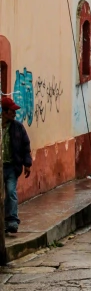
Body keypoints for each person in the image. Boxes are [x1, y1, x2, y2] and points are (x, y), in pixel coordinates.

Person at [2, 96, 32, 234]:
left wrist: (27, 164)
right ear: (5, 112)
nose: (14, 114)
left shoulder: (18, 128)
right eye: (12, 111)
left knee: (11, 192)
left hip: (12, 167)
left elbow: (25, 146)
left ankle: (12, 220)